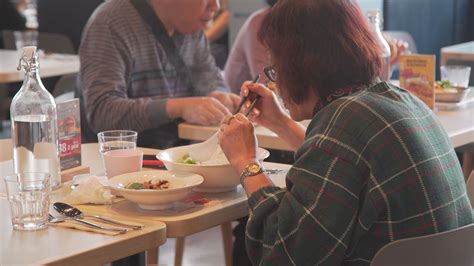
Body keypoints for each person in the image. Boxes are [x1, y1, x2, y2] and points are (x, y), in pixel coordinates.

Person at [218, 0, 473, 264]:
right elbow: (346, 163)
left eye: (276, 69)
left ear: (300, 66)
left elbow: (285, 252)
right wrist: (281, 123)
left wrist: (245, 162)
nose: (276, 81)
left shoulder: (342, 121)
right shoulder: (401, 100)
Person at [78, 0, 239, 149]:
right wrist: (178, 107)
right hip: (128, 162)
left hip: (182, 155)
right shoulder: (111, 22)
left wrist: (217, 95)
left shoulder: (191, 26)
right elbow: (102, 113)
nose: (216, 6)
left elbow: (209, 77)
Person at [223, 0, 407, 93]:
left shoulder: (321, 21)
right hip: (247, 120)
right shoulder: (263, 24)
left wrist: (381, 62)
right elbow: (272, 86)